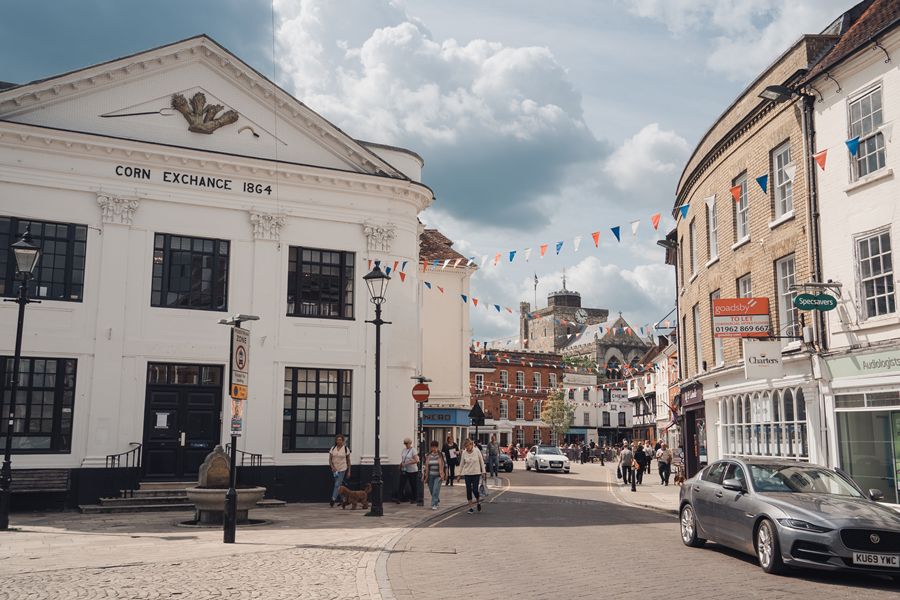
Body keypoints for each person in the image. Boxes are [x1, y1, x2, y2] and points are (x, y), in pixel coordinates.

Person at [457, 438, 486, 513]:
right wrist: (459, 474)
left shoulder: (477, 451)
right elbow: (461, 464)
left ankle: (478, 502)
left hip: (476, 473)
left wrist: (484, 472)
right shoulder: (464, 453)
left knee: (475, 490)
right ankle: (471, 507)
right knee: (468, 490)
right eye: (465, 446)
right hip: (467, 473)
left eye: (468, 446)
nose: (467, 447)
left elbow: (481, 462)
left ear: (471, 444)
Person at [421, 440, 445, 510]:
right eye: (432, 447)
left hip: (438, 475)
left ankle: (434, 504)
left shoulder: (442, 455)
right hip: (430, 475)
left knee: (435, 489)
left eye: (435, 447)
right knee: (432, 490)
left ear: (437, 447)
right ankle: (436, 500)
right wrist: (423, 475)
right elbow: (426, 466)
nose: (433, 449)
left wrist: (446, 475)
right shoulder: (428, 455)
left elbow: (445, 465)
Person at [328, 434, 350, 507]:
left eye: (340, 440)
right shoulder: (333, 448)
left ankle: (333, 499)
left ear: (342, 441)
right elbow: (330, 459)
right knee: (339, 485)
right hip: (335, 469)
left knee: (337, 484)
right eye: (337, 440)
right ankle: (344, 500)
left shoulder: (346, 449)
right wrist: (332, 467)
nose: (338, 441)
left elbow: (348, 460)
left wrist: (349, 471)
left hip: (342, 468)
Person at [398, 438, 419, 503]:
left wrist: (406, 463)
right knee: (401, 483)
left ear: (410, 443)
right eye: (404, 443)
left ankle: (414, 498)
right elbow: (403, 459)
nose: (405, 445)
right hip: (405, 469)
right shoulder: (404, 450)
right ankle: (399, 498)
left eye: (406, 443)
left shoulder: (413, 450)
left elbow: (416, 460)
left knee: (413, 484)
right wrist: (401, 464)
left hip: (412, 470)